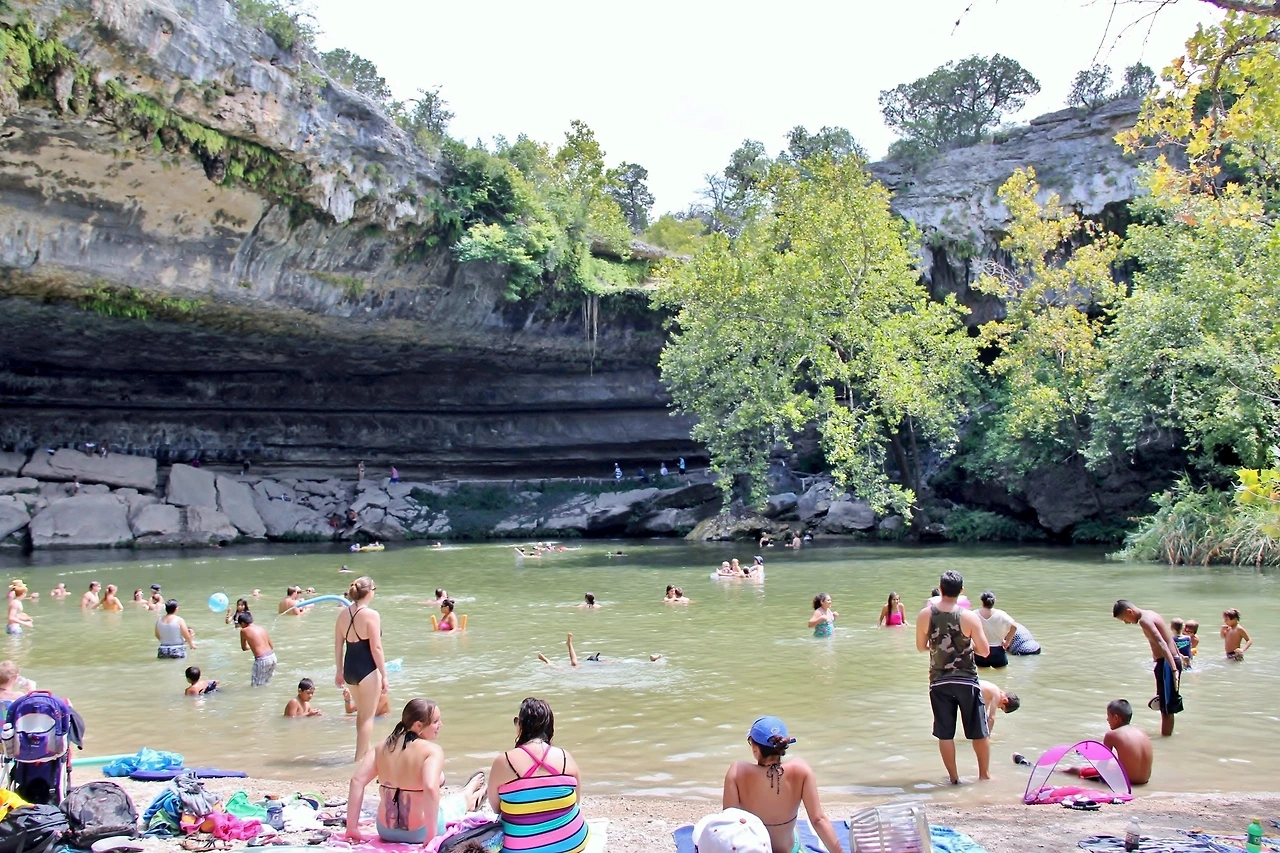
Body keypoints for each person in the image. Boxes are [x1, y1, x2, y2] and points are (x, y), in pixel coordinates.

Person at [346, 699, 488, 846]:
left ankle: (471, 789)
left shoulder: (381, 746)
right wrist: (431, 836)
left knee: (444, 801)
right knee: (450, 805)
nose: (441, 725)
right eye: (436, 721)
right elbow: (431, 788)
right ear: (418, 725)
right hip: (420, 832)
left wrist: (352, 827)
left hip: (386, 831)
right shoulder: (431, 751)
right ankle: (471, 792)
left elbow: (356, 781)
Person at [719, 716, 846, 853]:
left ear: (755, 749)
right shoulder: (801, 769)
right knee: (794, 829)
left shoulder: (738, 772)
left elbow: (730, 825)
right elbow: (818, 820)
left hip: (754, 849)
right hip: (790, 849)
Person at [916, 571, 991, 784]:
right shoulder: (969, 616)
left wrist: (938, 644)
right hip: (967, 680)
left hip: (939, 681)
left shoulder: (925, 615)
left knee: (945, 733)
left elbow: (921, 646)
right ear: (962, 591)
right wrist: (967, 644)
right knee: (979, 731)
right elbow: (985, 651)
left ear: (940, 588)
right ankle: (984, 776)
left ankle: (954, 778)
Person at [488, 697, 587, 853]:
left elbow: (496, 808)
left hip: (518, 848)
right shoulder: (565, 757)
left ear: (521, 725)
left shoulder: (504, 761)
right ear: (550, 727)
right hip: (571, 842)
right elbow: (577, 801)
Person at [1112, 600, 1183, 736]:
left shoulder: (1144, 620)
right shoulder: (1151, 613)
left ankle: (1165, 740)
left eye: (1124, 619)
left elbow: (1162, 643)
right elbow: (1169, 638)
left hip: (1167, 665)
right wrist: (1180, 657)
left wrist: (1173, 669)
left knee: (1167, 710)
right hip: (1169, 662)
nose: (1127, 622)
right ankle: (1167, 740)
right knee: (1165, 705)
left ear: (1129, 611)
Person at [335, 576, 388, 761]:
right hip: (367, 669)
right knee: (367, 717)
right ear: (370, 591)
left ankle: (362, 754)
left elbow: (338, 645)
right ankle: (360, 760)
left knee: (361, 715)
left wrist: (339, 671)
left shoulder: (342, 614)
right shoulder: (372, 615)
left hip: (350, 667)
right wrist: (384, 674)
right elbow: (376, 648)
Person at [1103, 699, 1153, 785]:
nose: (1107, 719)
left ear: (1116, 718)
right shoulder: (1142, 732)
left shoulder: (1111, 735)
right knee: (1114, 766)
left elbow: (1102, 766)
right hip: (1144, 780)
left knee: (1077, 771)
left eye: (1108, 716)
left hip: (1127, 782)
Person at [537, 633, 662, 667]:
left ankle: (567, 646)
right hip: (603, 663)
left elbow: (575, 662)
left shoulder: (593, 664)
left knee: (573, 665)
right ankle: (650, 662)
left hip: (597, 663)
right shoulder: (601, 663)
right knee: (629, 663)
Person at [974, 591, 1017, 669]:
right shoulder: (1001, 614)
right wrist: (1007, 642)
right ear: (994, 601)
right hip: (997, 650)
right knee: (1002, 674)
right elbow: (1014, 626)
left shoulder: (974, 614)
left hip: (980, 649)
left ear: (982, 601)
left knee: (981, 674)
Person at [236, 612, 276, 687]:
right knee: (266, 683)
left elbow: (244, 648)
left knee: (256, 686)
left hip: (262, 660)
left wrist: (253, 646)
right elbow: (271, 646)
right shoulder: (261, 628)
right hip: (272, 657)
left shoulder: (244, 630)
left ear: (242, 623)